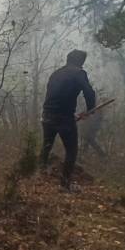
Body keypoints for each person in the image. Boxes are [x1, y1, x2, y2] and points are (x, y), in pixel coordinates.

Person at [39, 49, 96, 191]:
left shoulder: (56, 73)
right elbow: (89, 92)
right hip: (64, 118)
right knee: (71, 150)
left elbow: (55, 95)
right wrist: (90, 109)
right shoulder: (79, 73)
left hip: (47, 115)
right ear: (81, 62)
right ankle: (65, 185)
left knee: (47, 145)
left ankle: (39, 174)